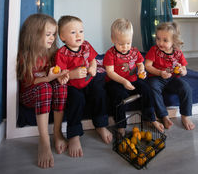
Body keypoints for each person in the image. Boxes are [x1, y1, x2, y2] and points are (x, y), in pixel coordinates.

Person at [17, 14, 69, 169]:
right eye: (48, 34)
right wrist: (49, 78)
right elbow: (30, 82)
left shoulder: (53, 54)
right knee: (45, 88)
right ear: (34, 34)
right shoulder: (26, 56)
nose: (52, 38)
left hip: (45, 91)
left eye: (53, 34)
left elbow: (59, 73)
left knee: (61, 86)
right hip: (29, 94)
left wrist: (61, 77)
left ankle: (58, 132)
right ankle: (44, 141)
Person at [55, 15, 112, 158]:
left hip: (88, 80)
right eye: (73, 32)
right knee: (76, 101)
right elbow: (60, 75)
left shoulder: (86, 45)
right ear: (62, 37)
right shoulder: (61, 54)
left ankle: (100, 124)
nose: (78, 35)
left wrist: (93, 67)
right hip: (73, 85)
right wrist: (72, 74)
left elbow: (93, 60)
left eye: (81, 31)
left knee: (99, 92)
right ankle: (74, 135)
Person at [103, 18, 164, 136]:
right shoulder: (110, 54)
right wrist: (124, 81)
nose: (125, 47)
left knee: (146, 89)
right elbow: (110, 72)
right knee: (119, 97)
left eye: (128, 43)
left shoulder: (135, 51)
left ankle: (151, 118)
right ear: (113, 39)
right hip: (115, 81)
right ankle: (120, 125)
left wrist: (142, 70)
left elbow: (140, 63)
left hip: (133, 80)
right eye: (121, 44)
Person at [145, 21, 195, 130]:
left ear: (174, 41)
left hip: (172, 79)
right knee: (152, 87)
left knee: (186, 88)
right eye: (158, 38)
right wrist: (159, 72)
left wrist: (182, 71)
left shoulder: (178, 53)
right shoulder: (154, 50)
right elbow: (147, 66)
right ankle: (164, 116)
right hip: (156, 77)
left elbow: (184, 70)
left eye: (165, 40)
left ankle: (185, 116)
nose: (160, 43)